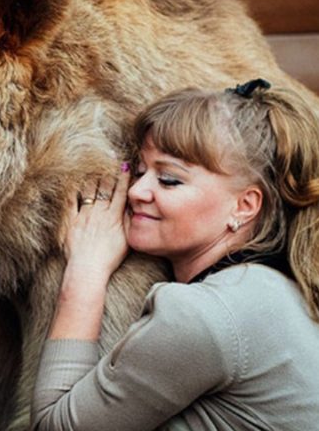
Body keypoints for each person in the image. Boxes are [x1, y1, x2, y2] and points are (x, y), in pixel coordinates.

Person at [31, 79, 319, 430]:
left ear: (245, 206)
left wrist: (85, 269)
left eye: (168, 179)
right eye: (138, 171)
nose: (136, 190)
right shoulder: (271, 289)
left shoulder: (203, 316)